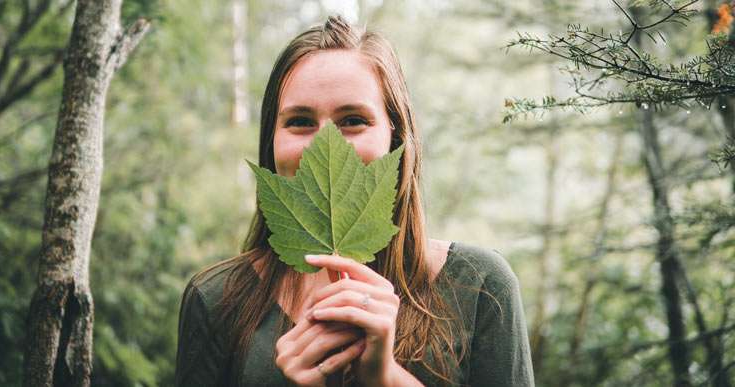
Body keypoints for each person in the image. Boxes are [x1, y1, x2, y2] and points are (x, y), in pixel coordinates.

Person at [176, 15, 535, 387]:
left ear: (395, 138)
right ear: (272, 141)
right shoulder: (217, 298)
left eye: (353, 120)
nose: (325, 147)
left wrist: (387, 379)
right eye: (299, 121)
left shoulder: (480, 286)